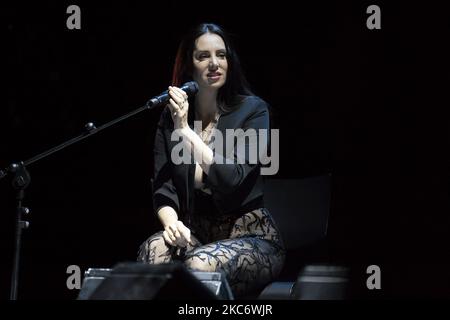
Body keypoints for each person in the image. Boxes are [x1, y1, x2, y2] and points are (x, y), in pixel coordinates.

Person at [137, 23, 285, 298]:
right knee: (152, 251)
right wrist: (172, 225)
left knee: (199, 265)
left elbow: (230, 179)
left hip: (251, 237)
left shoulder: (253, 112)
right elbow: (163, 187)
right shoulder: (170, 119)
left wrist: (185, 131)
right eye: (203, 56)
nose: (214, 63)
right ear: (188, 68)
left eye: (222, 55)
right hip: (197, 234)